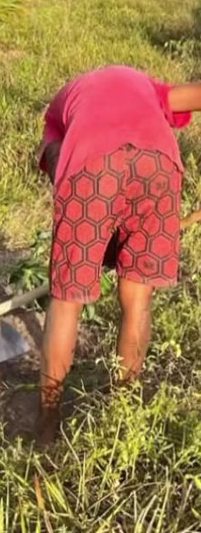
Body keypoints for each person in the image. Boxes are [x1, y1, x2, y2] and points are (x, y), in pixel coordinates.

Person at [34, 64, 201, 445]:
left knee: (67, 300)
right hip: (159, 165)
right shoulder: (145, 87)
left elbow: (61, 166)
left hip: (91, 167)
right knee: (137, 299)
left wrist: (89, 247)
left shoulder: (56, 117)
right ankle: (122, 411)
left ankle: (47, 422)